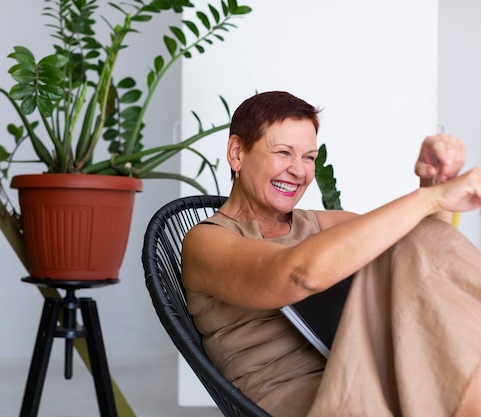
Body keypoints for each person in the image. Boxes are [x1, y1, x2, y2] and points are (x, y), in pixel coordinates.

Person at [181, 91, 481, 417]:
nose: (299, 171)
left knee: (418, 238)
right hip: (316, 402)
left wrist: (432, 181)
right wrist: (432, 198)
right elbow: (297, 273)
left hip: (368, 372)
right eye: (284, 152)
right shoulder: (206, 242)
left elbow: (423, 256)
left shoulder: (316, 224)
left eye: (309, 157)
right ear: (237, 153)